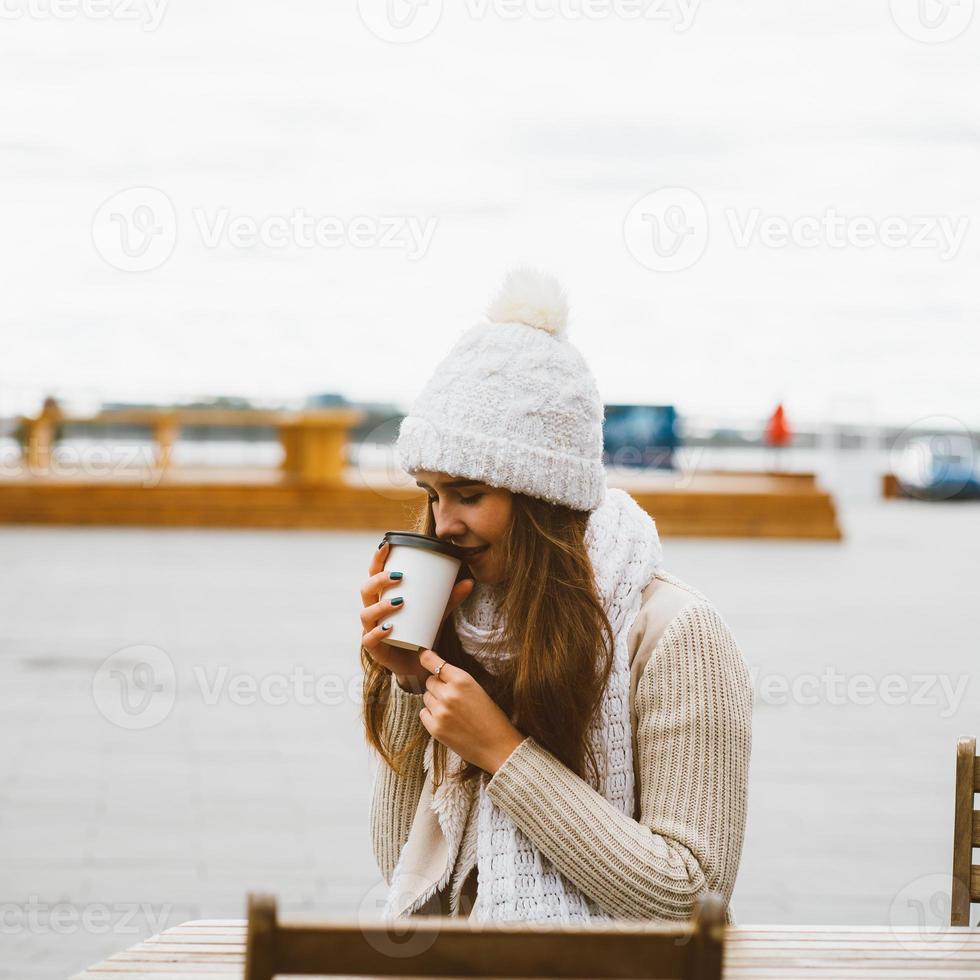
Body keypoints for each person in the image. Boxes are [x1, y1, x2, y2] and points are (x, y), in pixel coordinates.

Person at [359, 269, 753, 924]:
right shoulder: (465, 618)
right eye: (432, 494)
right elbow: (404, 868)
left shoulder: (678, 633)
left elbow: (694, 898)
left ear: (542, 494)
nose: (443, 523)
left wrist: (503, 753)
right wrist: (409, 681)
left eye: (469, 493)